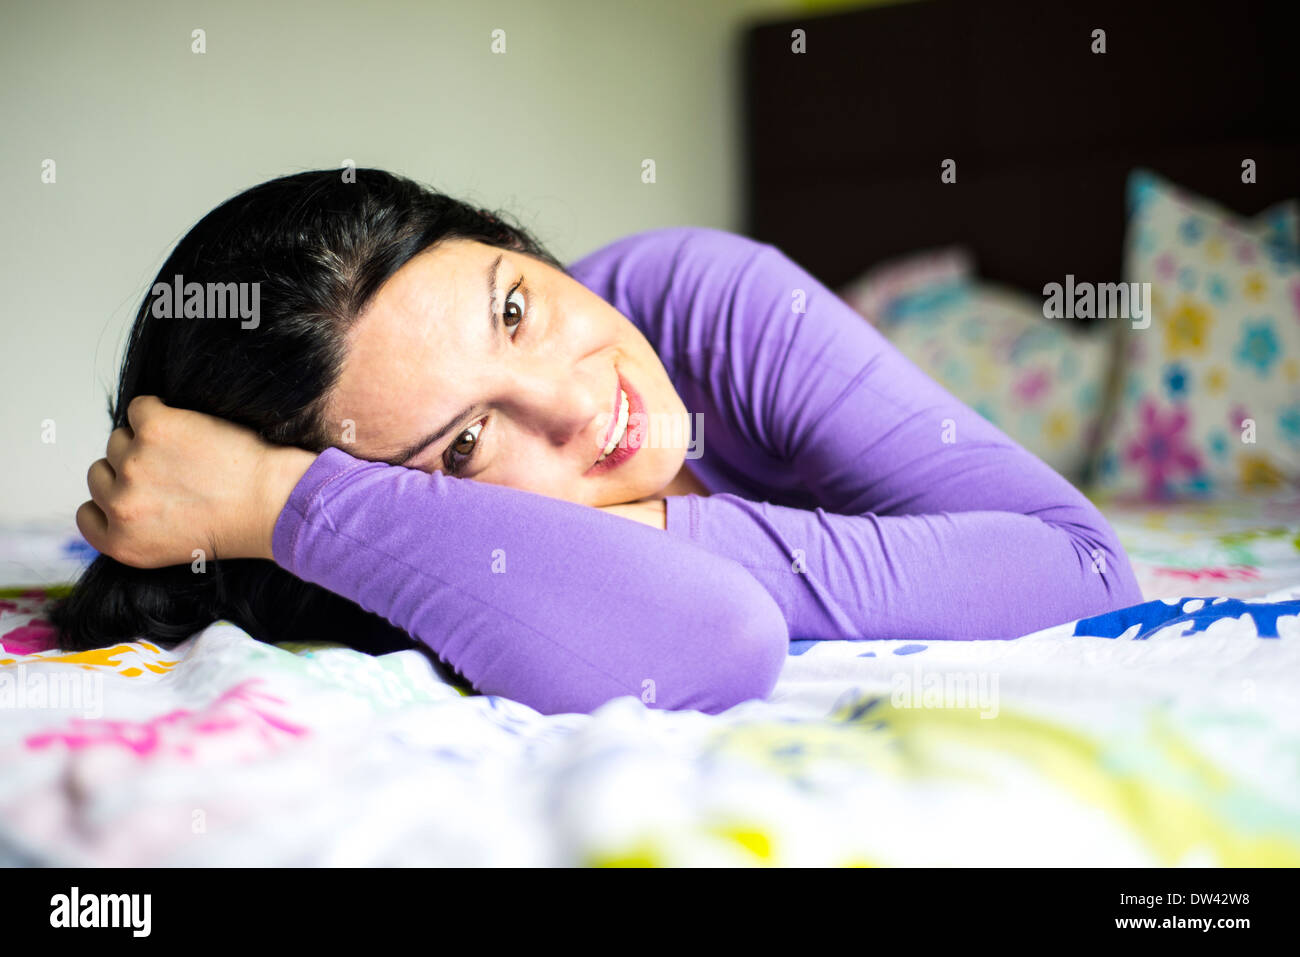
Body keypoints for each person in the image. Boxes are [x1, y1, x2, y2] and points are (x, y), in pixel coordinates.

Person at [51, 168, 1145, 716]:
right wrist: (294, 509)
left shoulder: (707, 303)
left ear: (520, 247)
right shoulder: (406, 552)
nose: (579, 405)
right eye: (467, 444)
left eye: (516, 309)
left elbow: (1084, 567)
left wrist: (282, 498)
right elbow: (715, 638)